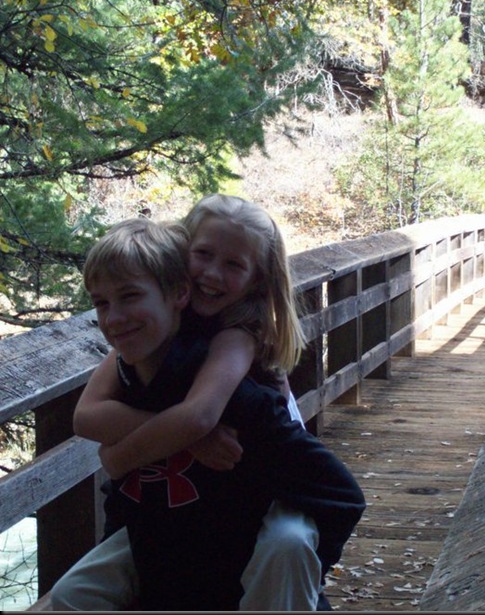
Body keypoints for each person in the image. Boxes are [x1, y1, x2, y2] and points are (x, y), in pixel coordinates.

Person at [51, 199, 364, 610]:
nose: (212, 273)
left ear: (257, 278)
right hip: (211, 495)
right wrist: (185, 438)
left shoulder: (240, 334)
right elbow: (88, 416)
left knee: (285, 546)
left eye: (233, 264)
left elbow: (199, 415)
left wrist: (121, 456)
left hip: (278, 484)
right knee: (76, 593)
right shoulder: (155, 329)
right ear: (183, 253)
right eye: (203, 254)